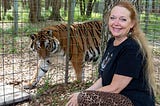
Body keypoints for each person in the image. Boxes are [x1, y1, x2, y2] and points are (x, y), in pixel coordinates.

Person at [66, 1, 155, 106]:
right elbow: (103, 79)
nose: (116, 23)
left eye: (123, 19)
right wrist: (82, 93)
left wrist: (82, 96)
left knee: (85, 98)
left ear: (132, 23)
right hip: (115, 98)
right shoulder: (112, 42)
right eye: (113, 18)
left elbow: (115, 88)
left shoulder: (132, 49)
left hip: (133, 102)